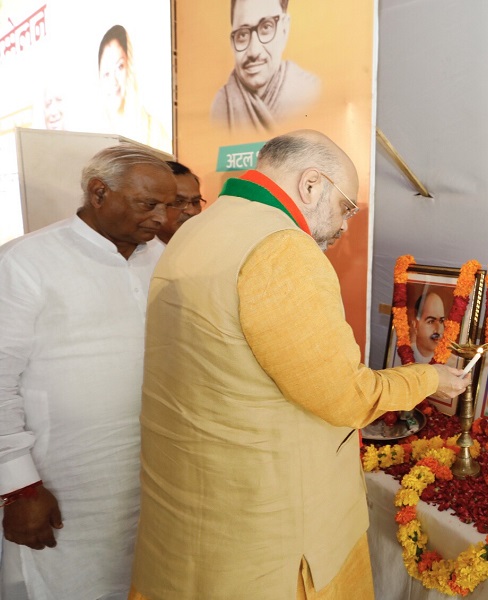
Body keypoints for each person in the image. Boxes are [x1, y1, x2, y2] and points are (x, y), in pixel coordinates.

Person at [128, 129, 469, 600]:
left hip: (193, 511)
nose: (346, 224)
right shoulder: (282, 248)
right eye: (346, 205)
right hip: (267, 526)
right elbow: (344, 396)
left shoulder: (200, 228)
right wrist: (430, 376)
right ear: (311, 185)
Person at [0, 145, 176, 599]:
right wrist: (19, 487)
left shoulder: (164, 260)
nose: (161, 218)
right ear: (99, 192)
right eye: (148, 204)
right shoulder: (26, 261)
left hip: (155, 477)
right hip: (66, 483)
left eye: (168, 205)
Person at [211, 0, 322, 132]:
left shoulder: (311, 92)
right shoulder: (220, 107)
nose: (254, 51)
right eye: (242, 35)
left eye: (266, 27)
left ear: (284, 29)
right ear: (232, 42)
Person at [98, 25, 168, 149]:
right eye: (107, 74)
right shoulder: (95, 128)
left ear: (129, 66)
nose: (114, 81)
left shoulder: (154, 131)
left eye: (120, 67)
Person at [157, 161, 203, 244]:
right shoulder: (138, 253)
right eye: (179, 201)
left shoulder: (208, 246)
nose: (191, 211)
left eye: (196, 202)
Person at [410, 291, 446, 364]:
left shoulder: (453, 364)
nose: (438, 330)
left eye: (441, 321)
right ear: (415, 325)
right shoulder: (397, 358)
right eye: (431, 321)